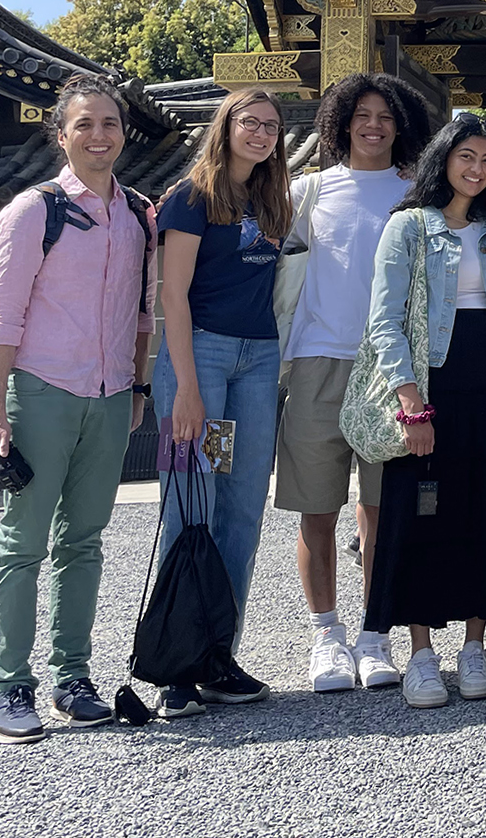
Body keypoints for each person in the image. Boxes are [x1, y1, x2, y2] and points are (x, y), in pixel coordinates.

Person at [0, 75, 156, 743]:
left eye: (109, 123)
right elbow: (0, 316)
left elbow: (142, 312)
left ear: (122, 134)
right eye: (85, 124)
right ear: (62, 135)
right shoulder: (33, 209)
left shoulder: (140, 213)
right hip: (42, 390)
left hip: (110, 396)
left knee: (83, 542)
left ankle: (71, 677)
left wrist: (137, 387)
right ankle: (10, 686)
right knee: (22, 544)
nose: (99, 135)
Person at [361, 115, 486, 709]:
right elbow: (384, 318)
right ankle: (419, 654)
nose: (477, 169)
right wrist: (409, 399)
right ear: (445, 158)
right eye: (467, 156)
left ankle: (474, 645)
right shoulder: (408, 227)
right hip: (432, 379)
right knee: (420, 512)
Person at [275, 73, 430, 695]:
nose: (374, 126)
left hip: (391, 369)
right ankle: (325, 634)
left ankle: (374, 635)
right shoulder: (306, 191)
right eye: (363, 115)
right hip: (318, 357)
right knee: (317, 508)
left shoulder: (419, 193)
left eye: (386, 117)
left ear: (402, 125)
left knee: (381, 510)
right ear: (341, 122)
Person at [151, 88, 292, 719]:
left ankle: (217, 656)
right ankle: (176, 664)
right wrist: (185, 385)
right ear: (225, 126)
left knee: (241, 509)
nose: (260, 134)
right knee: (190, 507)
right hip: (200, 359)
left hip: (256, 363)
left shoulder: (271, 201)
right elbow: (172, 295)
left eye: (271, 127)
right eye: (250, 122)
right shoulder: (191, 196)